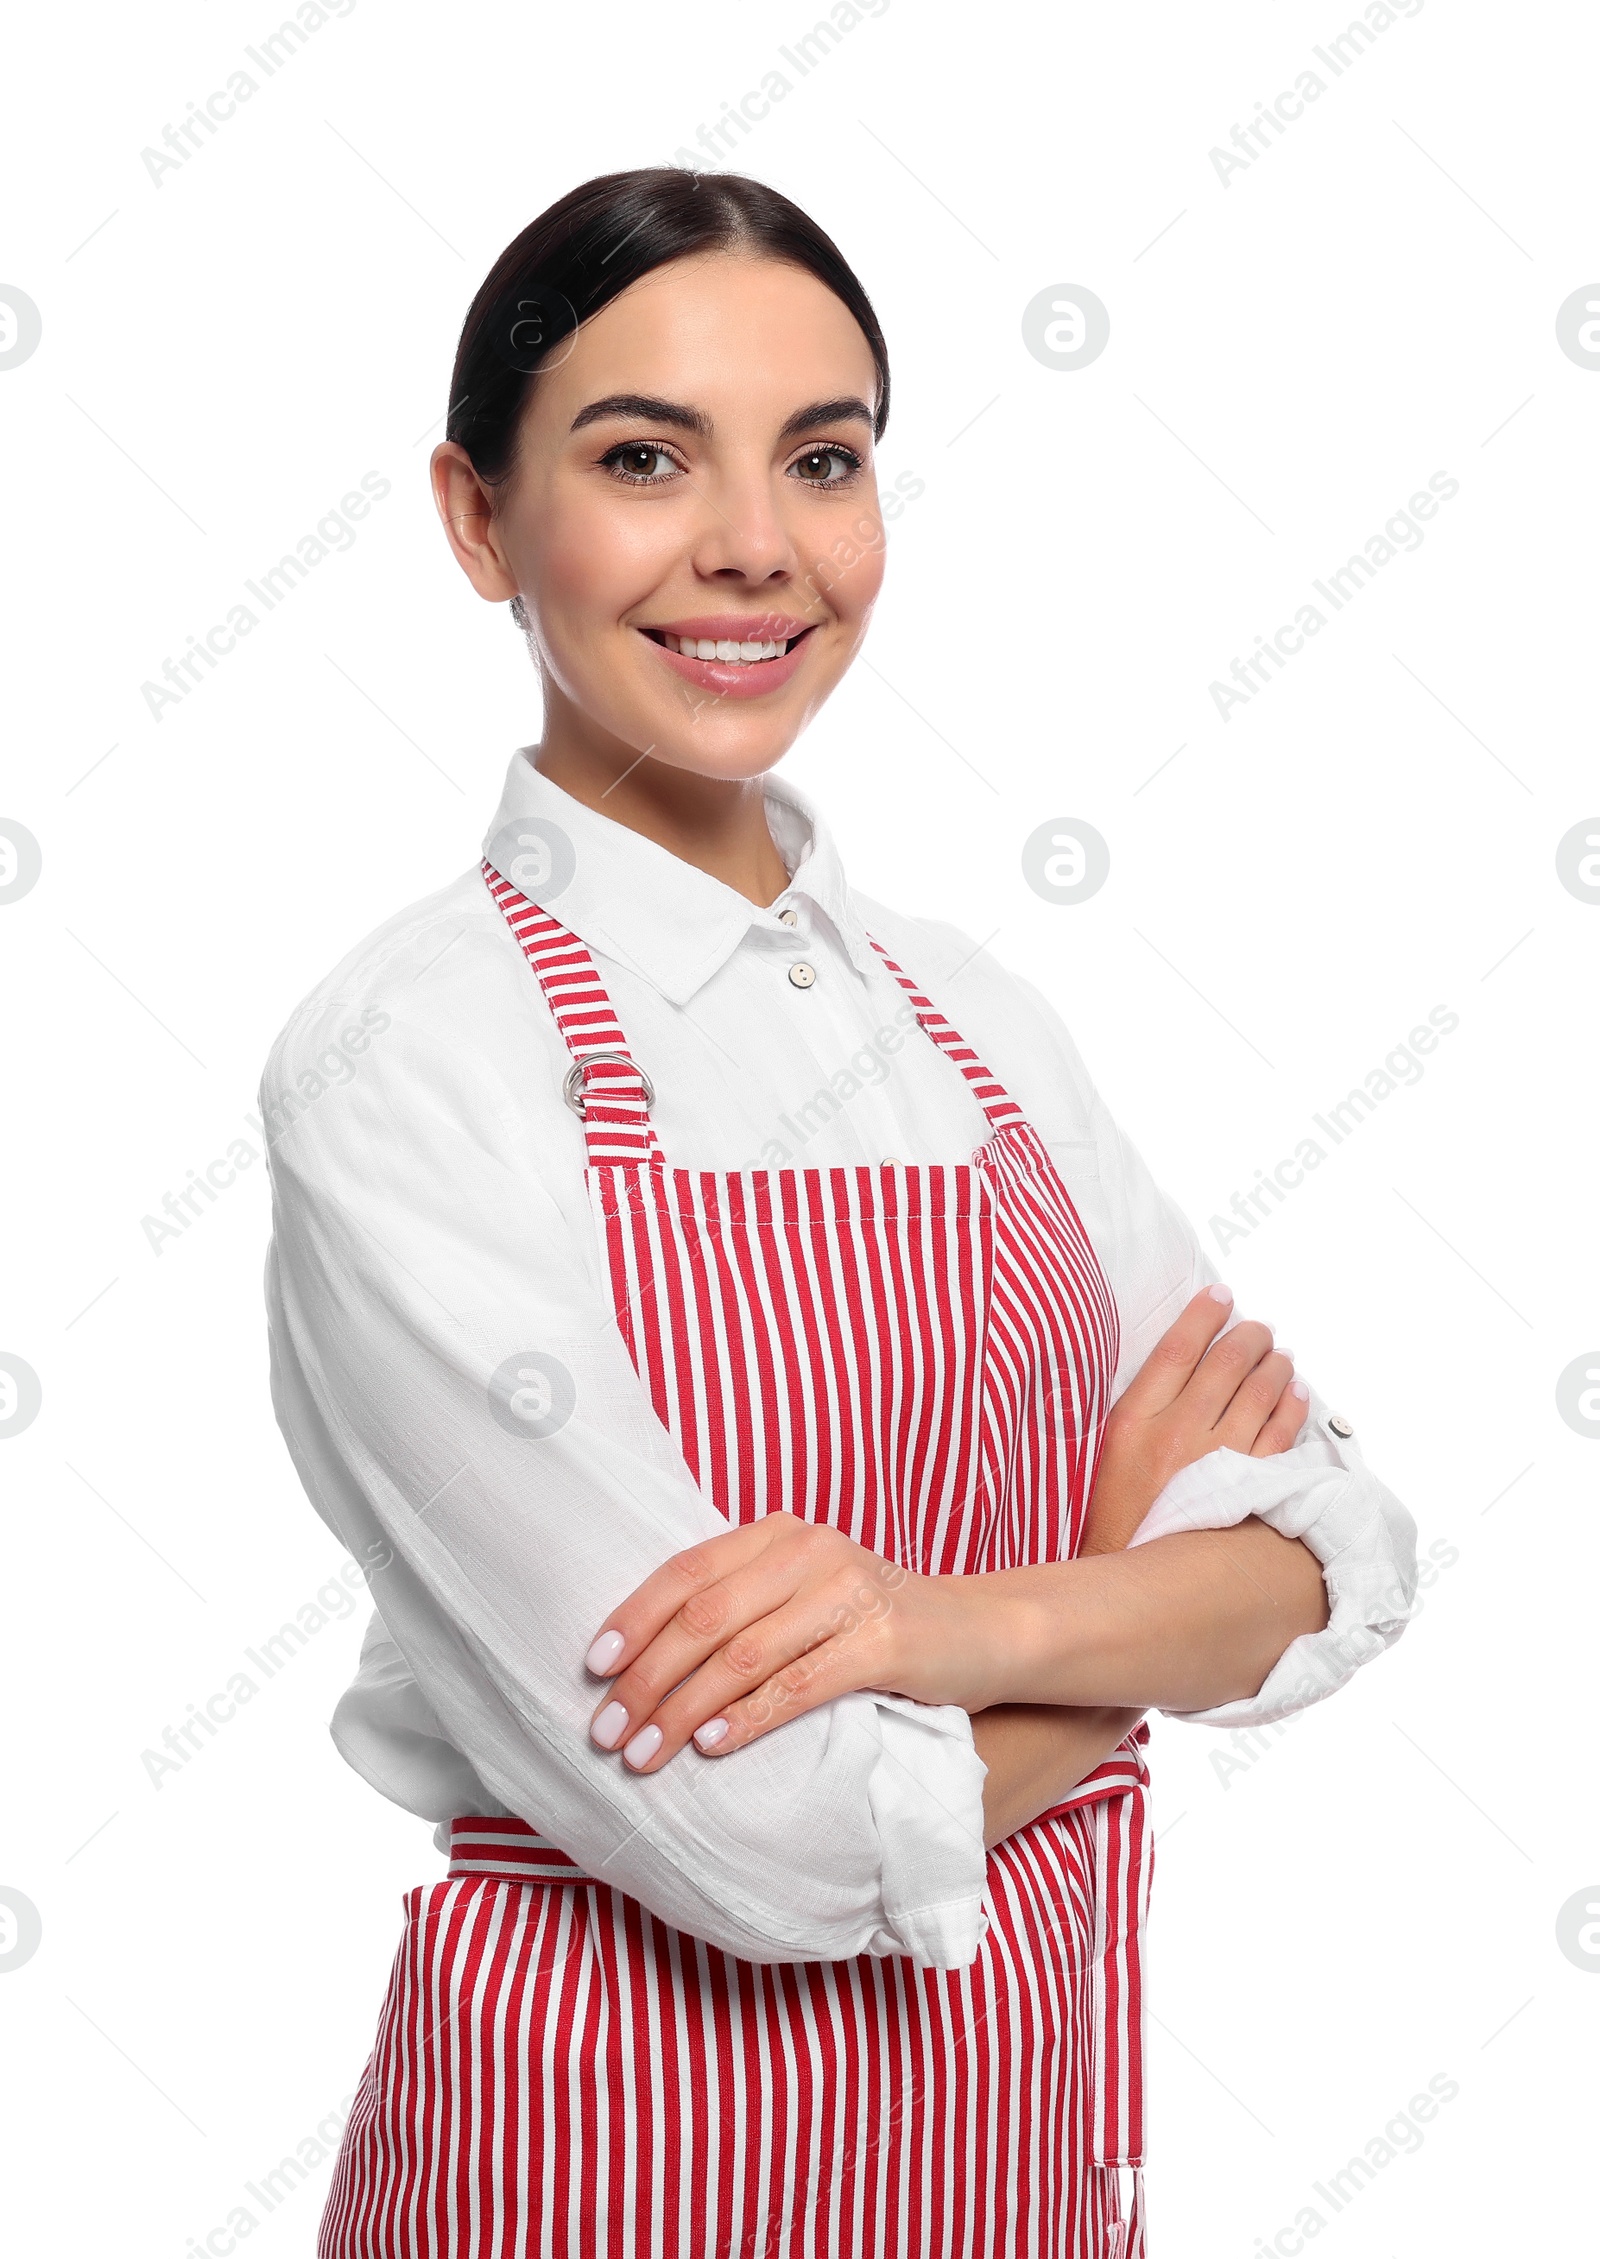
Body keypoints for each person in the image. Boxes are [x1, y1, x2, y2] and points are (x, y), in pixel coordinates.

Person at [262, 167, 1418, 2259]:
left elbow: (1337, 1556)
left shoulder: (979, 1021)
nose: (754, 547)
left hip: (1020, 2175)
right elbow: (761, 1839)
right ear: (473, 517)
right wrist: (1125, 1624)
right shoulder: (413, 1068)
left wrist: (932, 1626)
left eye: (824, 457)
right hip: (588, 2184)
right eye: (640, 458)